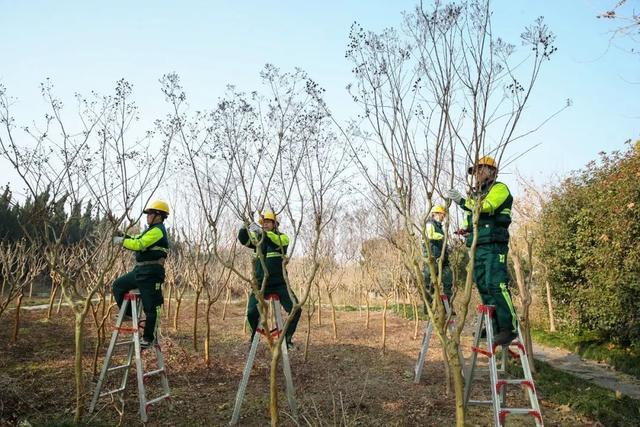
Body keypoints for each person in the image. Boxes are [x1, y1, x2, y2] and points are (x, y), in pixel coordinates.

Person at [446, 156, 518, 345]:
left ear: (492, 172)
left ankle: (508, 327)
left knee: (496, 284)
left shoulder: (499, 189)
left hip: (495, 243)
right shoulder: (475, 194)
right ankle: (493, 325)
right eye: (475, 171)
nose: (476, 174)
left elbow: (487, 207)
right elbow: (471, 217)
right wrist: (465, 229)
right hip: (478, 245)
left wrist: (461, 200)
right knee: (483, 285)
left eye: (480, 170)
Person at [237, 211, 301, 350]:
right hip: (260, 285)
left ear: (274, 224)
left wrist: (261, 233)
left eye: (268, 222)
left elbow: (273, 241)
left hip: (279, 283)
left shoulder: (282, 238)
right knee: (251, 312)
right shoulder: (258, 240)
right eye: (263, 222)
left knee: (295, 308)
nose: (265, 224)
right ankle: (254, 335)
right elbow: (244, 240)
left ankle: (287, 339)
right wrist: (244, 227)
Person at [112, 200, 170, 348]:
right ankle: (128, 314)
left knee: (151, 307)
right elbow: (136, 239)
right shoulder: (149, 230)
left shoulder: (158, 230)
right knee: (118, 286)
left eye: (150, 213)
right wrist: (123, 235)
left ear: (159, 216)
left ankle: (148, 338)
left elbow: (139, 244)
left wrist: (121, 241)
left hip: (151, 274)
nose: (148, 216)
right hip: (139, 271)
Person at [422, 204, 453, 310]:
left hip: (442, 259)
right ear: (436, 214)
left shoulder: (440, 227)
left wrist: (447, 248)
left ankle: (447, 306)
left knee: (448, 281)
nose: (443, 217)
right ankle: (429, 306)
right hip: (432, 258)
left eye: (444, 215)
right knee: (429, 283)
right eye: (442, 215)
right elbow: (430, 235)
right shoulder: (429, 224)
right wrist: (442, 237)